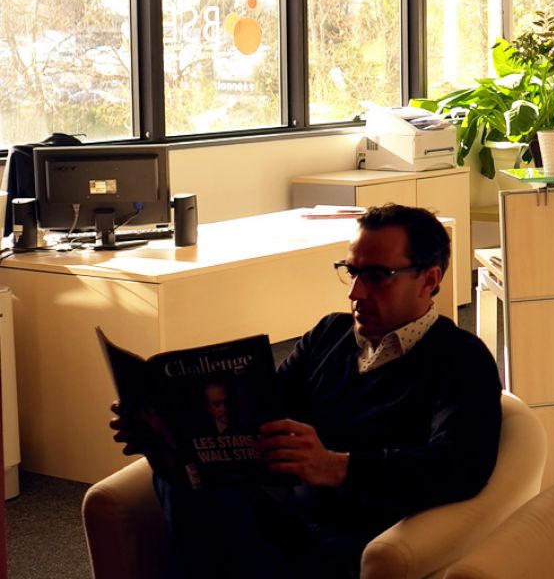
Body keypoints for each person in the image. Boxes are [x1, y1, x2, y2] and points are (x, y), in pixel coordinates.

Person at [110, 204, 502, 578]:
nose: (355, 293)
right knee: (181, 479)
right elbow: (266, 414)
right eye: (351, 272)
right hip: (293, 519)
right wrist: (168, 431)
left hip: (362, 539)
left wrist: (336, 466)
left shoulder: (461, 359)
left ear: (429, 280)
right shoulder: (329, 335)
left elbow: (459, 465)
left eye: (376, 276)